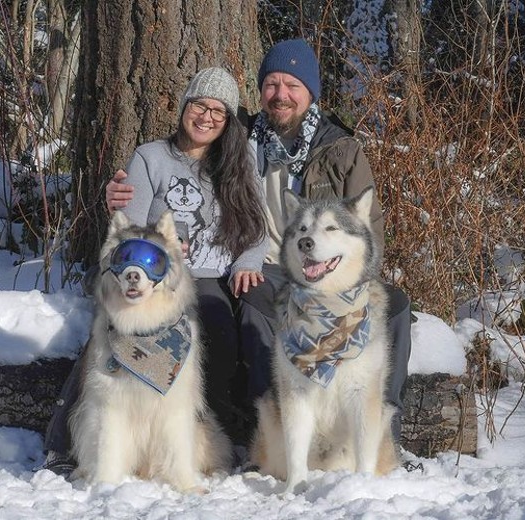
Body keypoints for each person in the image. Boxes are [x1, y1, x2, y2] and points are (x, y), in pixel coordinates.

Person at [108, 39, 413, 447]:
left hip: (330, 274)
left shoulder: (341, 150)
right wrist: (117, 192)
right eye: (272, 84)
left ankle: (381, 438)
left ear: (311, 94)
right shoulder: (241, 135)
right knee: (256, 307)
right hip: (264, 267)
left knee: (396, 307)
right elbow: (179, 160)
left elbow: (366, 231)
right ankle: (266, 436)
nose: (280, 95)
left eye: (292, 85)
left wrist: (343, 283)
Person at [41, 67, 268, 475]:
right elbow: (131, 227)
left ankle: (221, 437)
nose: (206, 116)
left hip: (212, 274)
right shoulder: (151, 157)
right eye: (200, 104)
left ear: (229, 120)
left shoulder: (239, 160)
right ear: (185, 105)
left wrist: (248, 263)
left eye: (219, 111)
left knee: (216, 325)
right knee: (109, 332)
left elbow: (256, 228)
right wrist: (159, 252)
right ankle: (61, 440)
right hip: (153, 271)